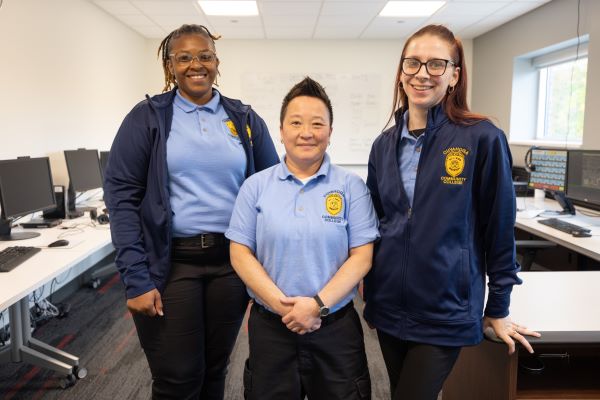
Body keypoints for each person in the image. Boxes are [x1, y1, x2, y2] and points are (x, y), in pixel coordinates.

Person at [363, 24, 541, 400]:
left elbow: (499, 229)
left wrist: (498, 307)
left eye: (436, 64)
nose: (422, 73)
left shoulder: (481, 137)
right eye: (412, 63)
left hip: (446, 309)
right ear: (401, 72)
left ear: (454, 74)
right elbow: (377, 225)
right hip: (390, 307)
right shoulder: (382, 146)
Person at [103, 24, 278, 400]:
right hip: (171, 265)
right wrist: (136, 277)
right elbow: (121, 196)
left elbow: (271, 189)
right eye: (184, 57)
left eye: (205, 56)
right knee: (177, 378)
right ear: (170, 67)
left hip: (231, 264)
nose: (195, 64)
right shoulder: (148, 117)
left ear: (217, 63)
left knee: (216, 370)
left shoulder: (244, 118)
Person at [225, 77, 379, 400]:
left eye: (317, 124)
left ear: (330, 132)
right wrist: (285, 308)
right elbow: (240, 253)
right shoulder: (255, 187)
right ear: (281, 131)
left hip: (335, 328)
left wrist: (317, 305)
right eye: (295, 123)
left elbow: (362, 256)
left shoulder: (352, 188)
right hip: (271, 328)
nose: (306, 132)